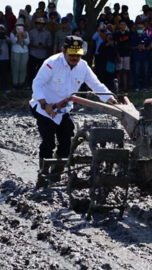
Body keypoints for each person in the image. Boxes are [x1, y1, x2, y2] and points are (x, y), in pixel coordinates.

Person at [30, 36, 117, 189]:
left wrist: (112, 100)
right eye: (72, 54)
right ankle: (43, 174)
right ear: (63, 50)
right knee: (48, 142)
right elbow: (37, 84)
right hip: (44, 109)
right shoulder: (51, 63)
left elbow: (96, 85)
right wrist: (45, 105)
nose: (75, 58)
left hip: (63, 110)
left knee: (66, 144)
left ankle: (55, 174)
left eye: (78, 55)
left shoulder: (83, 67)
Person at [28, 17, 52, 88]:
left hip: (43, 55)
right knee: (31, 71)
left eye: (42, 24)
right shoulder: (31, 32)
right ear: (36, 24)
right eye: (38, 24)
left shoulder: (47, 33)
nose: (40, 25)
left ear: (44, 25)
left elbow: (50, 44)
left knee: (42, 72)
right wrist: (34, 45)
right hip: (33, 54)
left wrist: (44, 46)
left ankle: (41, 86)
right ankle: (30, 85)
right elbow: (28, 43)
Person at [130, 22, 151, 92]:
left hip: (145, 57)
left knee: (145, 72)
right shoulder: (132, 36)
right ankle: (136, 87)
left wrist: (145, 48)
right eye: (138, 28)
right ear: (136, 28)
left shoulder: (147, 36)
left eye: (141, 28)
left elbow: (149, 46)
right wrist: (136, 47)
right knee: (136, 72)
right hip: (136, 57)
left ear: (144, 28)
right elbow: (130, 47)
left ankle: (144, 87)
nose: (140, 29)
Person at [10, 18, 30, 90]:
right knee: (15, 68)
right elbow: (13, 42)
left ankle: (21, 83)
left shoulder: (26, 33)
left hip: (24, 51)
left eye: (21, 25)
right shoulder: (12, 33)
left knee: (23, 68)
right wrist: (17, 36)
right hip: (15, 51)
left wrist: (24, 37)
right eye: (18, 25)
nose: (20, 26)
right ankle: (15, 83)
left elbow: (28, 42)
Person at [113, 20, 131, 92]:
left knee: (125, 71)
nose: (123, 26)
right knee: (119, 72)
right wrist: (117, 56)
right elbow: (115, 46)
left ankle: (125, 87)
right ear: (119, 25)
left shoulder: (128, 33)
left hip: (127, 54)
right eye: (121, 24)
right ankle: (117, 88)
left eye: (124, 24)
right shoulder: (116, 34)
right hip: (119, 55)